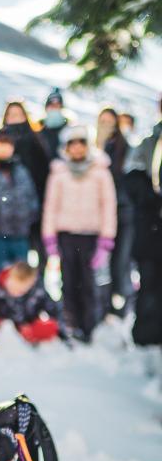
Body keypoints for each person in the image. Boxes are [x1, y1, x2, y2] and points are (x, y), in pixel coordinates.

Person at [42, 125, 117, 342]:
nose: (76, 149)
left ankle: (88, 325)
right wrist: (49, 237)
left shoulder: (100, 172)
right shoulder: (59, 173)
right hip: (66, 234)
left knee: (88, 282)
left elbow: (108, 206)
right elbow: (51, 206)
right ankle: (71, 323)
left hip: (91, 236)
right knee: (69, 281)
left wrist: (106, 239)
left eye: (80, 144)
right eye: (71, 145)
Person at [126, 102, 162, 348]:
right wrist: (151, 197)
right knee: (150, 284)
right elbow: (131, 178)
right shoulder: (150, 143)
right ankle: (147, 335)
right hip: (152, 231)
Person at [0, 128, 39, 277]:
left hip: (21, 234)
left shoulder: (21, 170)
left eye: (7, 143)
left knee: (21, 277)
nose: (4, 147)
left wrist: (29, 217)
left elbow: (32, 198)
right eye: (0, 143)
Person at [95, 107, 135, 314]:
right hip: (98, 213)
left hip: (122, 210)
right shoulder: (92, 149)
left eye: (110, 121)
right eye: (103, 121)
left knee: (121, 261)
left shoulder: (125, 148)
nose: (106, 125)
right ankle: (103, 304)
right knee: (101, 262)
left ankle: (124, 302)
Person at [2, 99, 50, 263]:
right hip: (8, 210)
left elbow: (44, 173)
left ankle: (39, 284)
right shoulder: (0, 141)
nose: (15, 118)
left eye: (18, 114)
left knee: (38, 252)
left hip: (35, 207)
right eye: (11, 114)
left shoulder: (36, 141)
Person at [0, 261, 66, 344]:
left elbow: (53, 308)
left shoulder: (37, 291)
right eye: (14, 288)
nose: (16, 293)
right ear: (9, 277)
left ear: (31, 284)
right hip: (2, 325)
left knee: (50, 327)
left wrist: (60, 330)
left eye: (21, 291)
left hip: (28, 326)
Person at [39, 88, 68, 160]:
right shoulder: (38, 127)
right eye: (51, 106)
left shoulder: (69, 128)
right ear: (46, 108)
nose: (54, 109)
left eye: (57, 106)